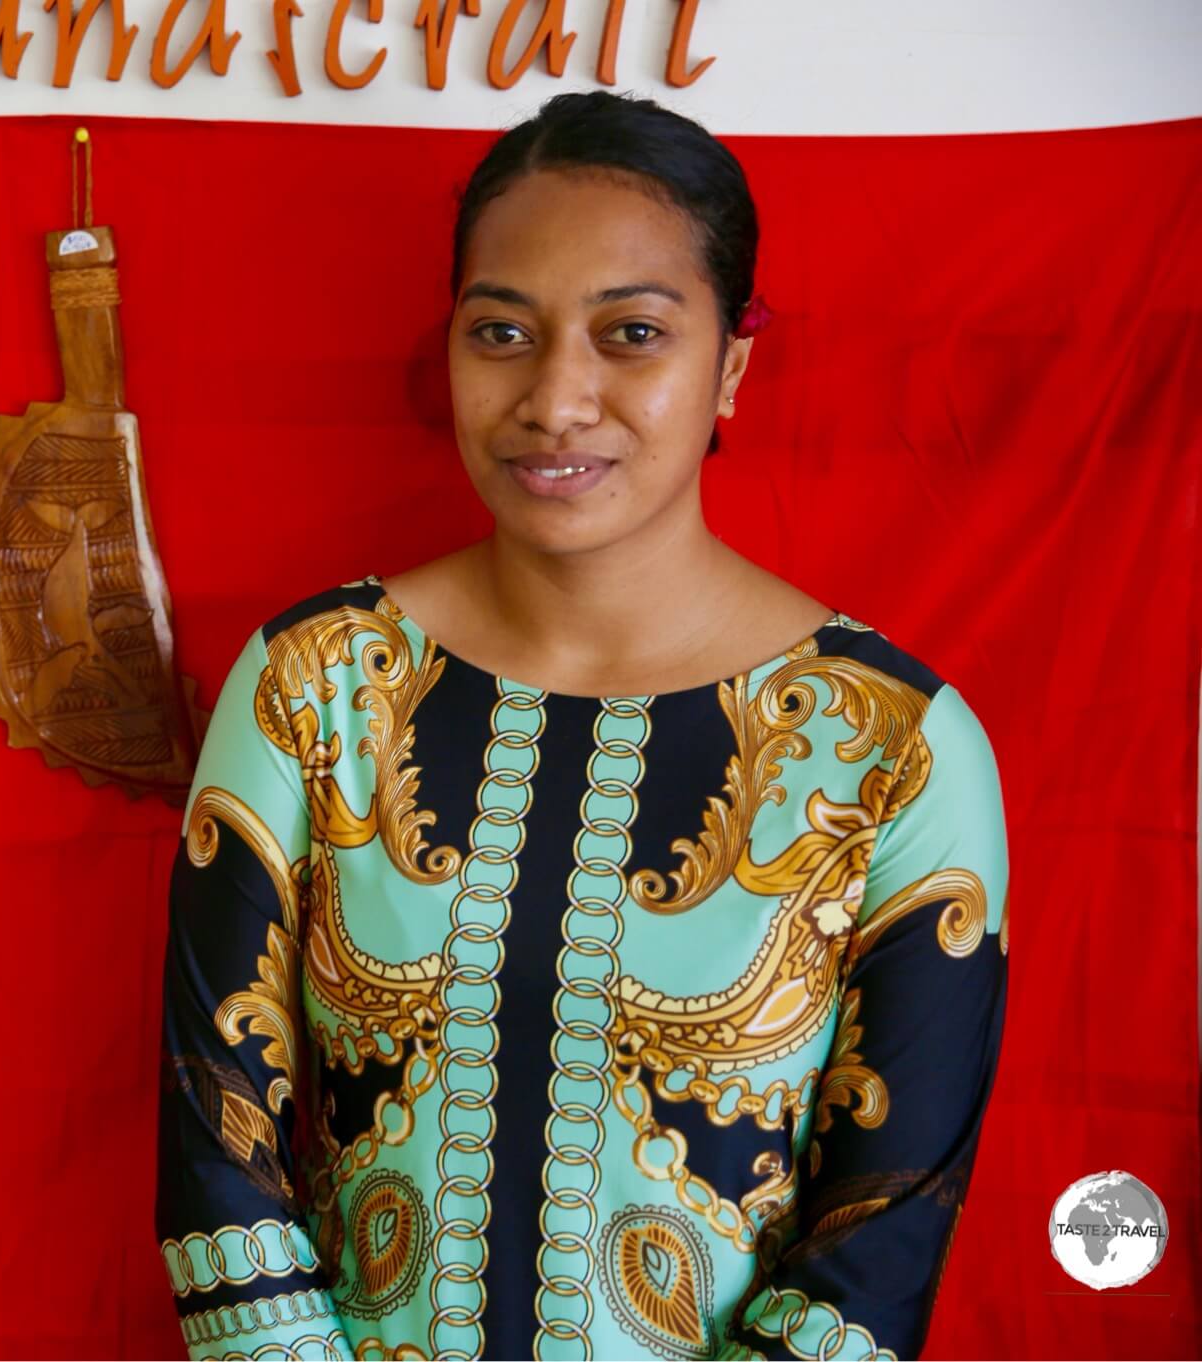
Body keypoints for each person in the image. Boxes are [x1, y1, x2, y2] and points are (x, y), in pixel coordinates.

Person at [156, 90, 1008, 1361]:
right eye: (501, 331)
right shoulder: (313, 682)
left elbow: (876, 1241)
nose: (556, 398)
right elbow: (212, 1138)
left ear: (729, 364)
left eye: (630, 335)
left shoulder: (891, 744)